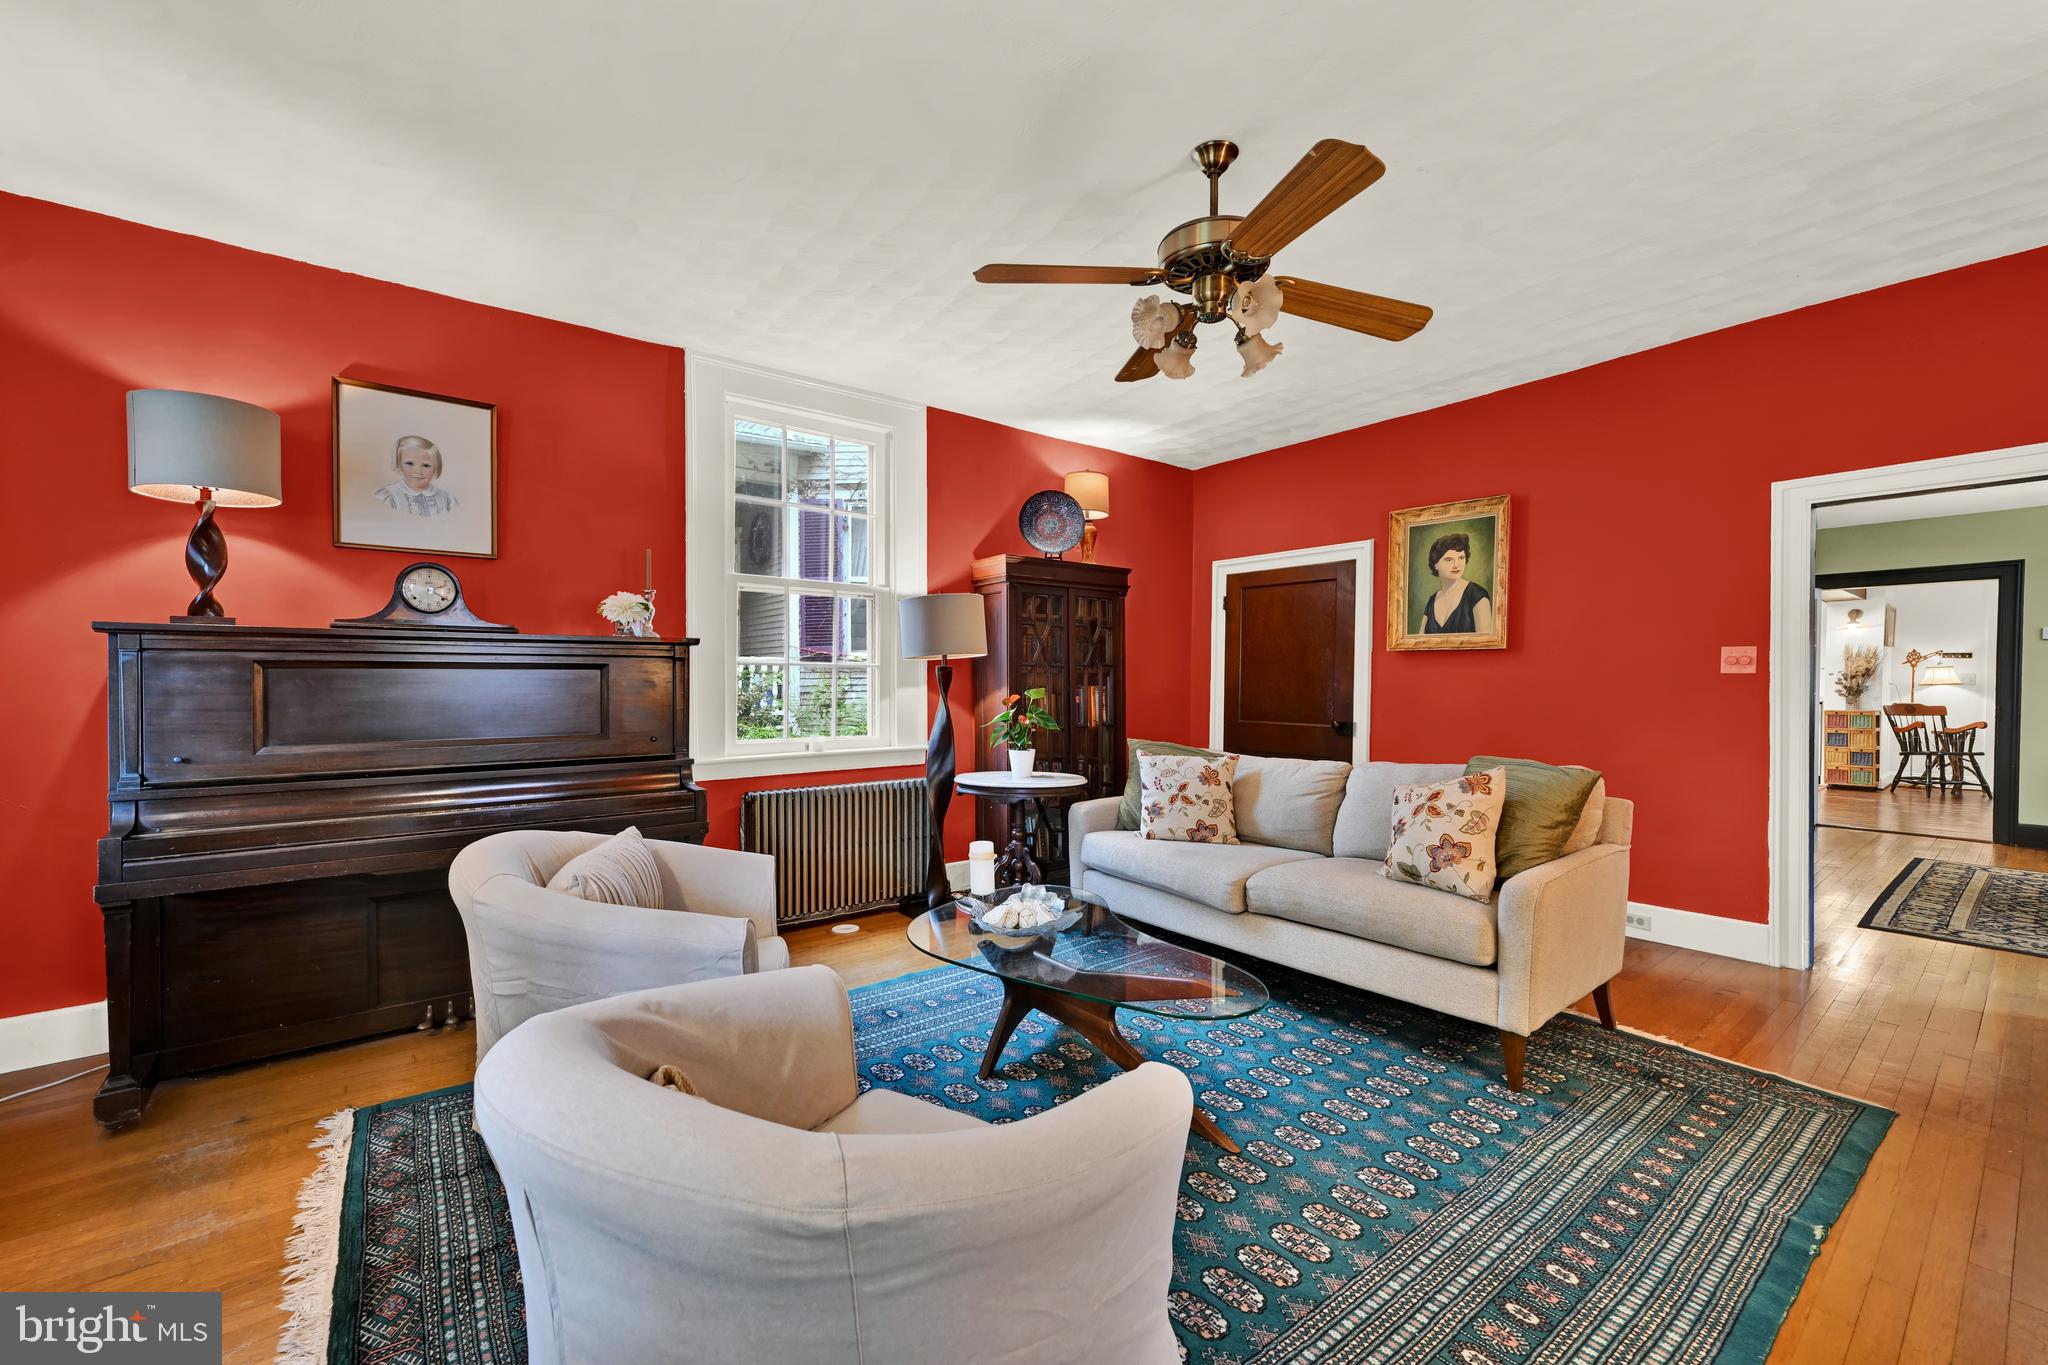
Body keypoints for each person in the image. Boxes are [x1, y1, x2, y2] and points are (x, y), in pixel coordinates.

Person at [1420, 532, 1495, 635]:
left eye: (1461, 558)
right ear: (1435, 564)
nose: (1456, 565)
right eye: (1449, 559)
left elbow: (1486, 643)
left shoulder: (1477, 595)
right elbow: (1419, 642)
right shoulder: (1431, 601)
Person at [373, 435, 458, 517]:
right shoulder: (390, 496)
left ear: (435, 468)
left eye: (426, 465)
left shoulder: (447, 499)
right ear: (399, 464)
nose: (418, 471)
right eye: (409, 463)